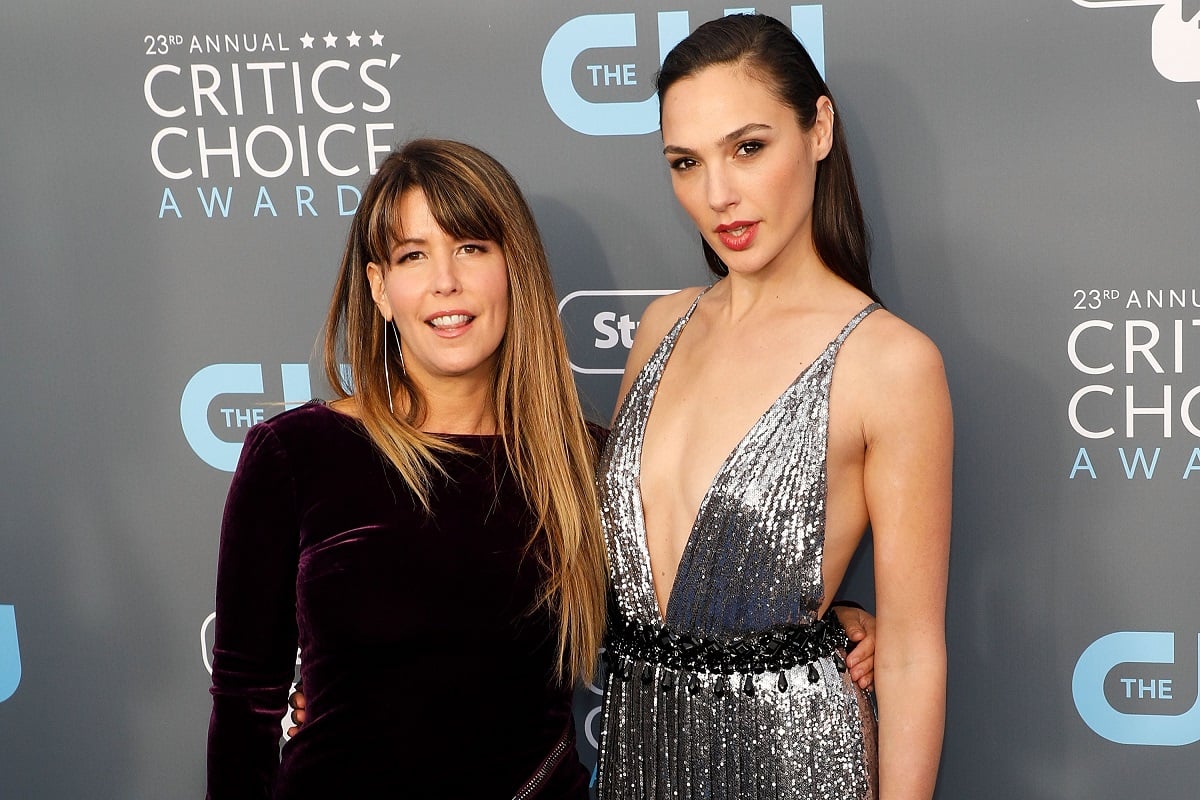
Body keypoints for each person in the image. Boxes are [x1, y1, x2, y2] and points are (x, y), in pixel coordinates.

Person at [595, 14, 952, 800]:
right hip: (635, 757)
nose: (717, 194)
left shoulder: (890, 363)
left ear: (818, 128)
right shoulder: (661, 327)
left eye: (748, 148)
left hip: (794, 766)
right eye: (685, 163)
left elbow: (914, 652)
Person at [205, 138, 608, 798]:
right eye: (413, 255)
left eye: (471, 247)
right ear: (380, 288)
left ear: (515, 269)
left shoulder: (582, 461)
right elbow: (245, 706)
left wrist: (841, 619)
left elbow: (683, 633)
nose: (445, 280)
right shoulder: (295, 454)